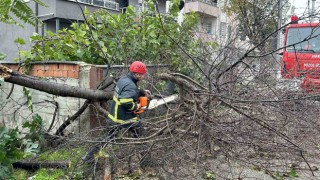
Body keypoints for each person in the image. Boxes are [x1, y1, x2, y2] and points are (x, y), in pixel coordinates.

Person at [83, 61, 151, 163]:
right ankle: (147, 161)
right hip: (124, 118)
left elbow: (127, 90)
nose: (144, 76)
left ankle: (88, 158)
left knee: (105, 139)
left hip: (115, 116)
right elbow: (125, 102)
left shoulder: (124, 79)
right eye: (142, 74)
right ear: (137, 74)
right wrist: (136, 106)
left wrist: (142, 92)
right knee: (141, 136)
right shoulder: (130, 86)